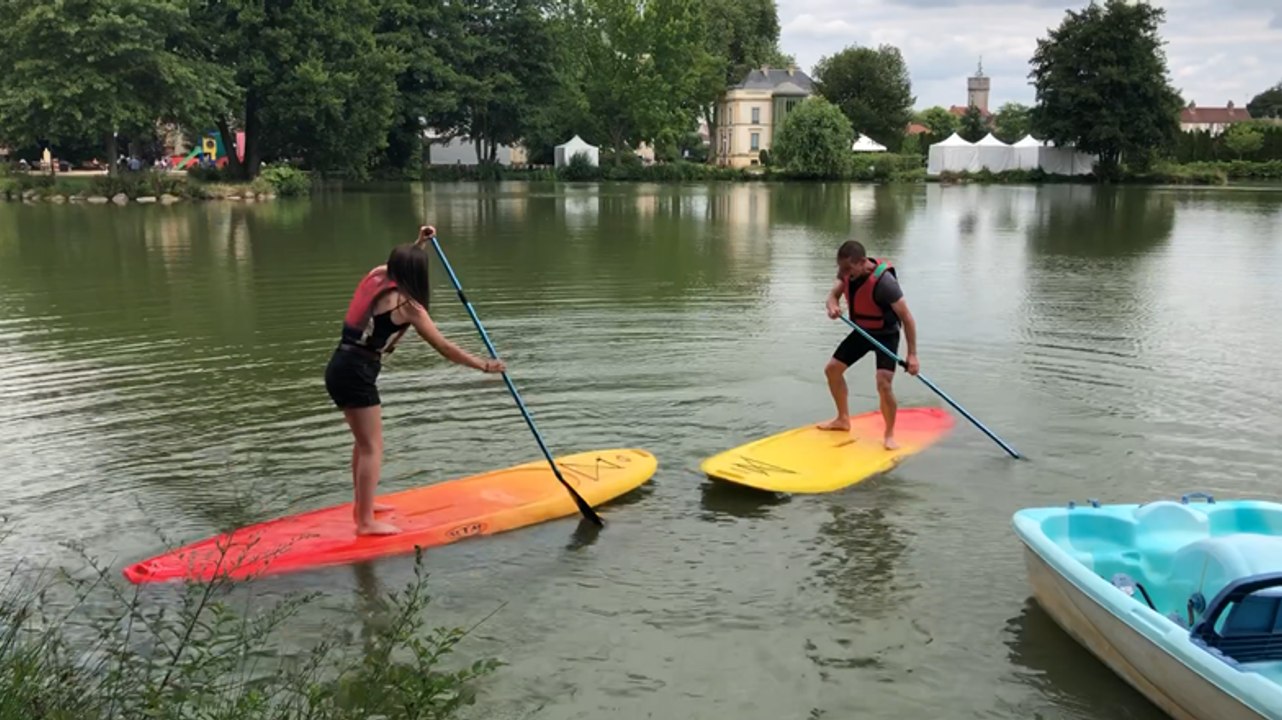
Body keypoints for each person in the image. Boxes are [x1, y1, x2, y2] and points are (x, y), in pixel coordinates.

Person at [325, 225, 505, 535]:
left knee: (364, 443)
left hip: (340, 367)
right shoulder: (409, 307)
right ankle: (365, 522)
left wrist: (419, 244)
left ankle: (362, 507)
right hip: (356, 374)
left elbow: (398, 266)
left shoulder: (375, 276)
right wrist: (484, 366)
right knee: (372, 447)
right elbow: (445, 347)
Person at [818, 240, 919, 450]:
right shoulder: (847, 274)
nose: (843, 273)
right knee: (832, 370)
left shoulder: (885, 284)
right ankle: (843, 419)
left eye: (847, 268)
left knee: (883, 383)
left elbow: (907, 318)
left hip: (886, 335)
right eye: (841, 268)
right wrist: (833, 306)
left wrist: (912, 356)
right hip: (863, 332)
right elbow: (832, 296)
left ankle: (889, 435)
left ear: (862, 262)